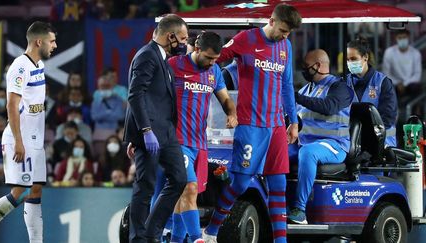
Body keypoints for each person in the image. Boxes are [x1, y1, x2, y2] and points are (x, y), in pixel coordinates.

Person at [203, 4, 302, 243]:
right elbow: (214, 60)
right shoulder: (246, 39)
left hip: (277, 125)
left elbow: (287, 86)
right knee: (239, 183)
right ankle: (211, 232)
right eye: (284, 30)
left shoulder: (285, 47)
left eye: (289, 33)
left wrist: (293, 121)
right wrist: (219, 90)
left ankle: (281, 241)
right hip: (250, 125)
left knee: (278, 184)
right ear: (272, 20)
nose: (285, 36)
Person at [167, 31, 237, 243]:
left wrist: (231, 113)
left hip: (200, 143)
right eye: (208, 58)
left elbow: (225, 99)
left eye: (215, 59)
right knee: (189, 188)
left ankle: (176, 241)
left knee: (186, 197)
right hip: (176, 141)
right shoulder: (173, 65)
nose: (211, 63)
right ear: (196, 49)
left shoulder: (215, 71)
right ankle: (198, 238)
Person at [123, 14, 188, 243]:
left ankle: (151, 233)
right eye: (182, 38)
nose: (185, 43)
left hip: (167, 133)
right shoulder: (147, 56)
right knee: (146, 185)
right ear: (170, 36)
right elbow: (135, 94)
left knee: (179, 179)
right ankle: (138, 239)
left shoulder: (161, 58)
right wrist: (143, 131)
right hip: (150, 133)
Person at [0, 21, 57, 243]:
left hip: (34, 140)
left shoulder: (39, 65)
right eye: (52, 41)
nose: (55, 45)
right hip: (19, 139)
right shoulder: (20, 67)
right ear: (39, 41)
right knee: (20, 189)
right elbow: (11, 105)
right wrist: (19, 141)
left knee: (36, 190)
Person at [287, 49, 353, 224]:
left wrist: (297, 98)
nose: (303, 70)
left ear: (317, 66)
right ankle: (277, 204)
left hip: (334, 145)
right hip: (305, 143)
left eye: (306, 67)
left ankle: (300, 211)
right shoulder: (306, 89)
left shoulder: (340, 88)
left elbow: (328, 107)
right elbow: (298, 117)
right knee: (277, 152)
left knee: (308, 153)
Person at [346, 37, 397, 147]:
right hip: (353, 144)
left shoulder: (383, 82)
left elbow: (388, 118)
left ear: (365, 57)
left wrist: (365, 134)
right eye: (348, 59)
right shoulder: (344, 83)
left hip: (383, 144)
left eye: (354, 59)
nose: (350, 62)